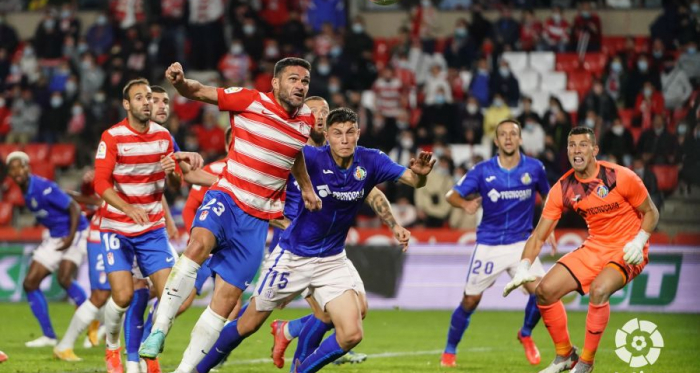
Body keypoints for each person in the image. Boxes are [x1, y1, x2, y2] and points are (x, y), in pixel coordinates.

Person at [188, 107, 433, 373]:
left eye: (350, 132)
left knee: (352, 332)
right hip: (293, 257)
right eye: (337, 133)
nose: (344, 139)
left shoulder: (371, 160)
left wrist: (420, 175)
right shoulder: (311, 159)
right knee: (248, 324)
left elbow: (412, 180)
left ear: (358, 134)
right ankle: (196, 370)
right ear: (326, 135)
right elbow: (280, 160)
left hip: (332, 261)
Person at [139, 58, 322, 370]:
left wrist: (306, 186)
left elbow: (294, 153)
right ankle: (159, 328)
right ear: (275, 83)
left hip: (257, 220)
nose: (300, 86)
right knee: (197, 246)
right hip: (227, 197)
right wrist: (181, 83)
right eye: (293, 79)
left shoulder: (305, 119)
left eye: (304, 81)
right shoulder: (250, 100)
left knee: (225, 303)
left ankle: (185, 370)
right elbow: (200, 92)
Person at [504, 127, 660, 373]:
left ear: (595, 150)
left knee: (599, 290)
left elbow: (652, 212)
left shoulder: (620, 176)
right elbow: (539, 235)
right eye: (572, 145)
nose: (577, 150)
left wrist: (640, 241)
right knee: (544, 291)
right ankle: (566, 355)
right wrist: (524, 266)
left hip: (628, 248)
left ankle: (586, 363)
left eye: (583, 144)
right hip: (595, 246)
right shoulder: (563, 187)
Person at [93, 78, 200, 373]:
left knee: (173, 297)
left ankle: (146, 353)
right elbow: (100, 182)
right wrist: (128, 208)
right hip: (116, 226)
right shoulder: (112, 136)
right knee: (124, 296)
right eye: (139, 98)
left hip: (151, 229)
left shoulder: (164, 136)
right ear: (127, 104)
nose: (146, 102)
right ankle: (113, 346)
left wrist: (173, 174)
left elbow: (178, 181)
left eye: (149, 97)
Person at [439, 119, 555, 368]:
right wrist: (464, 204)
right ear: (496, 140)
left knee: (544, 292)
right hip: (489, 245)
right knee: (470, 300)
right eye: (503, 134)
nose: (508, 138)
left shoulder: (534, 168)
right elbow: (452, 195)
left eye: (513, 133)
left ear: (520, 139)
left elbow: (550, 198)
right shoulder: (482, 170)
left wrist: (549, 227)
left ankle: (525, 333)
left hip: (522, 243)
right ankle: (450, 350)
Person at [6, 151, 89, 348]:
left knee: (64, 278)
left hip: (75, 232)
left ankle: (95, 324)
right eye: (13, 168)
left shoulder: (42, 186)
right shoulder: (26, 190)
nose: (17, 171)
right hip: (55, 236)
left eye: (21, 166)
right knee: (30, 283)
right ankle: (49, 336)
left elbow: (74, 208)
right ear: (10, 173)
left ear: (28, 168)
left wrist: (69, 238)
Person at [53, 172, 110, 362]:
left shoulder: (142, 162)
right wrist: (85, 198)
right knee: (101, 295)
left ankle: (112, 340)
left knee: (132, 291)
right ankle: (66, 345)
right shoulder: (103, 170)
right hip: (105, 234)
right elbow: (96, 197)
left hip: (135, 232)